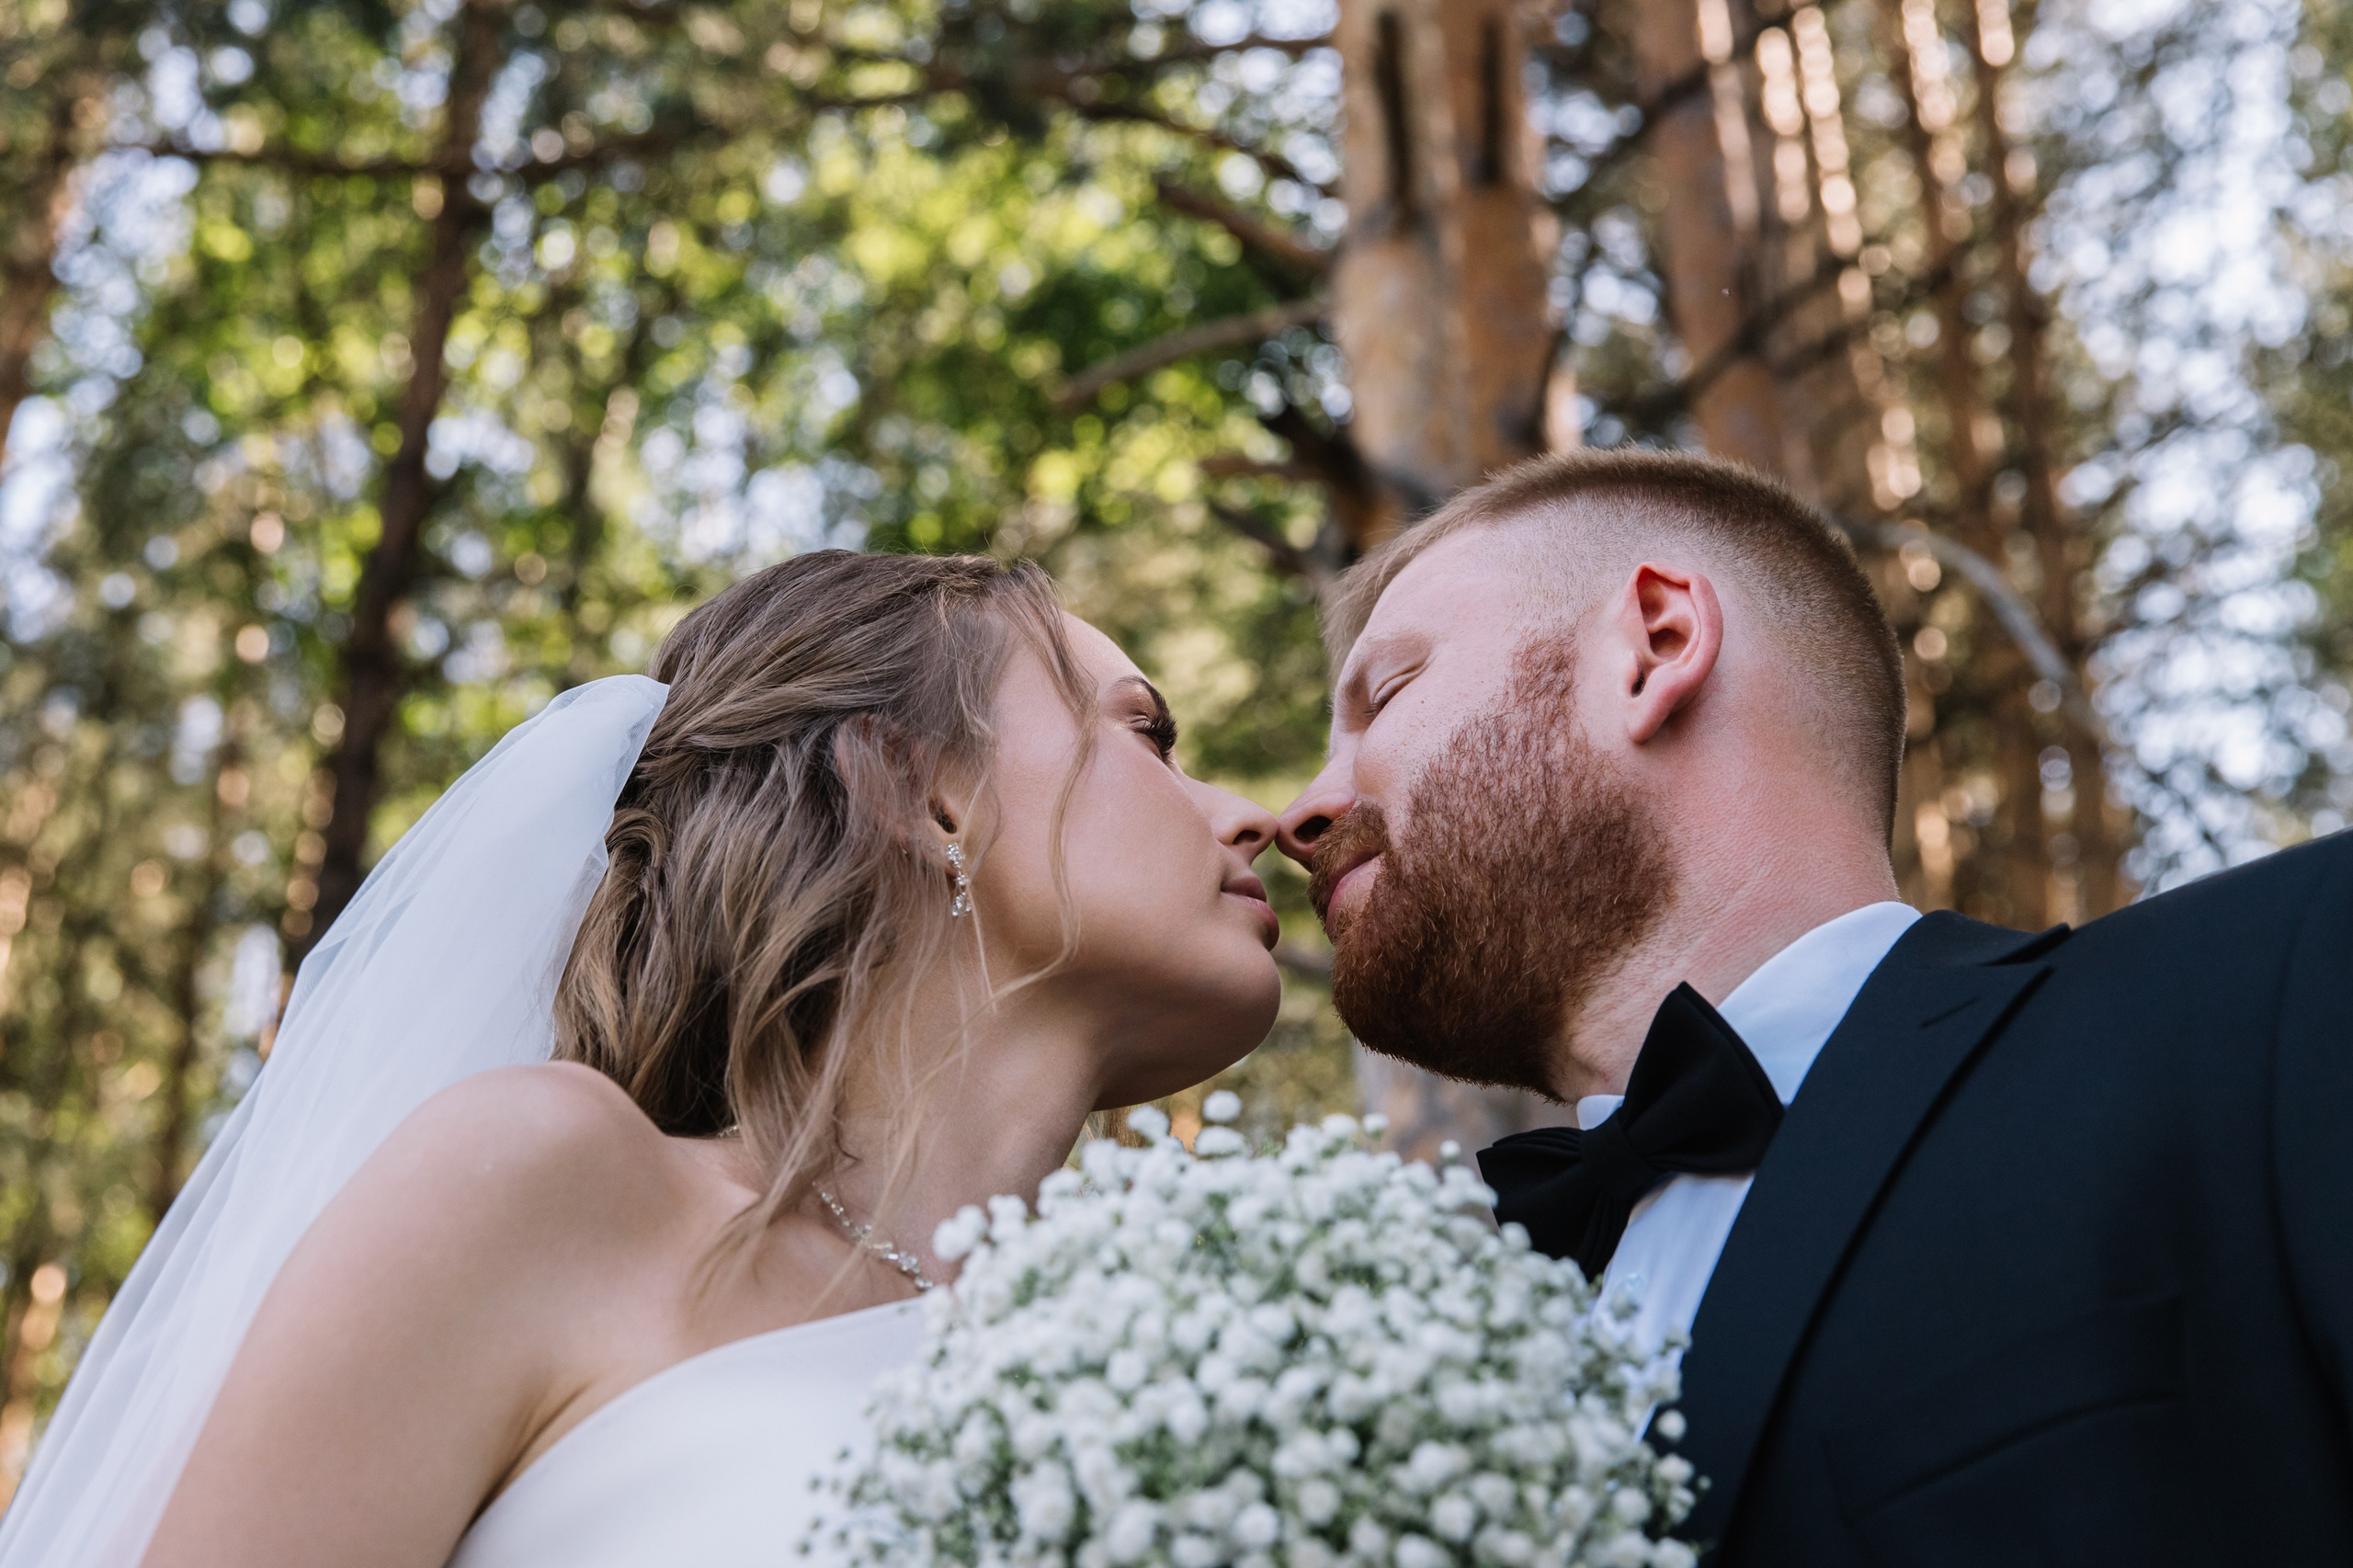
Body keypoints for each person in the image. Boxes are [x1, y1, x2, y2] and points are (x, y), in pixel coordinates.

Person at [0, 551, 1286, 1568]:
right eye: (1149, 734)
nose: (1258, 818)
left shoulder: (1194, 1361)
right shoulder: (544, 1182)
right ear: (931, 795)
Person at [1274, 447, 2353, 1565]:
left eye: (1385, 692)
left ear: (1656, 645)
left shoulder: (2281, 984)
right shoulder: (1438, 1349)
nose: (1303, 808)